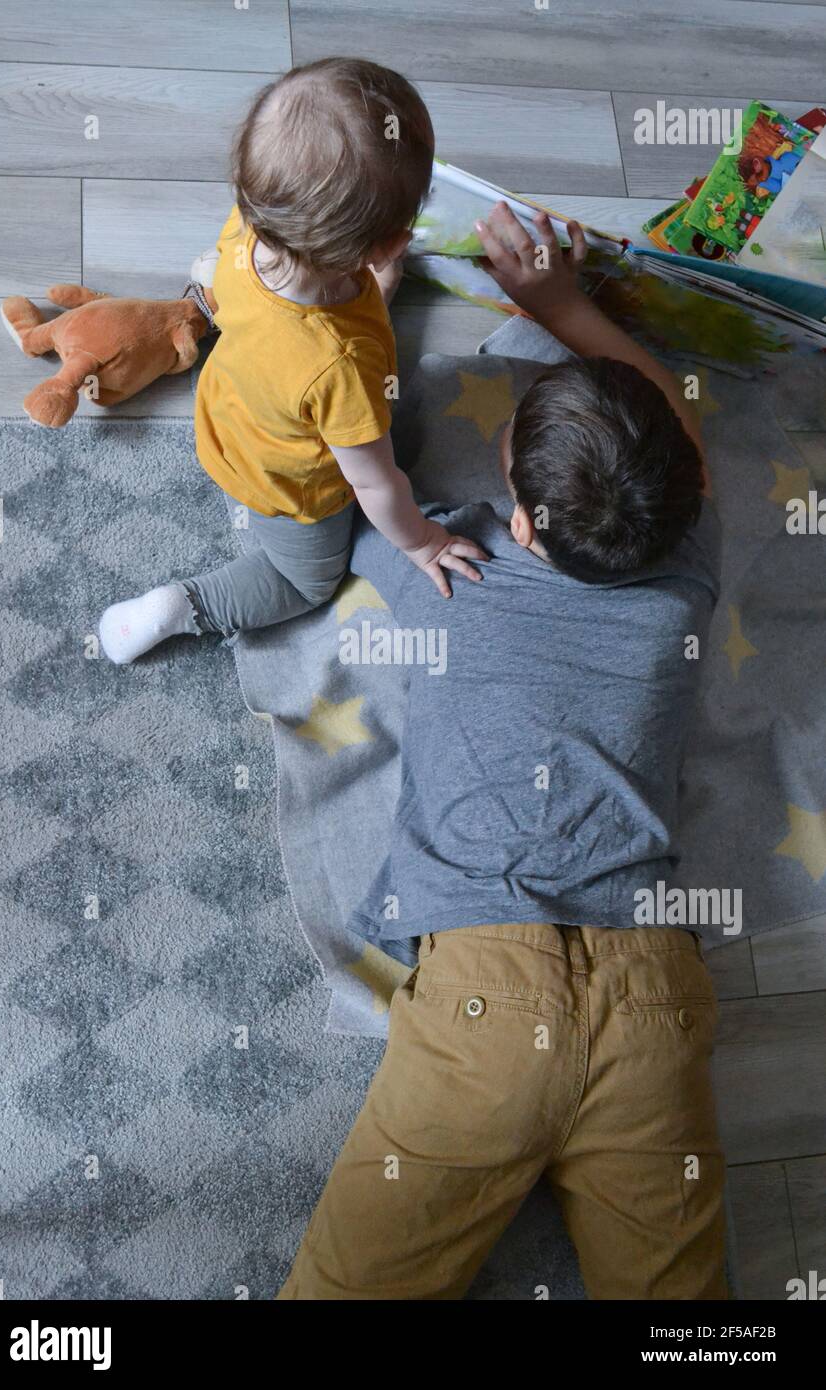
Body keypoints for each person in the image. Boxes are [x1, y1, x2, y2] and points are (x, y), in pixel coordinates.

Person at [278, 205, 726, 1301]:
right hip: (650, 996)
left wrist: (367, 314)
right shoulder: (685, 568)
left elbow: (341, 474)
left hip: (485, 990)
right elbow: (676, 425)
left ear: (516, 514)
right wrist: (564, 308)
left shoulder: (453, 564)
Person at [98, 58, 485, 666]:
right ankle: (190, 604)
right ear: (389, 243)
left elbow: (268, 317)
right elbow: (373, 482)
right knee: (307, 582)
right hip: (288, 487)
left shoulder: (245, 233)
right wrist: (425, 542)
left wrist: (370, 279)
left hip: (226, 412)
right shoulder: (345, 366)